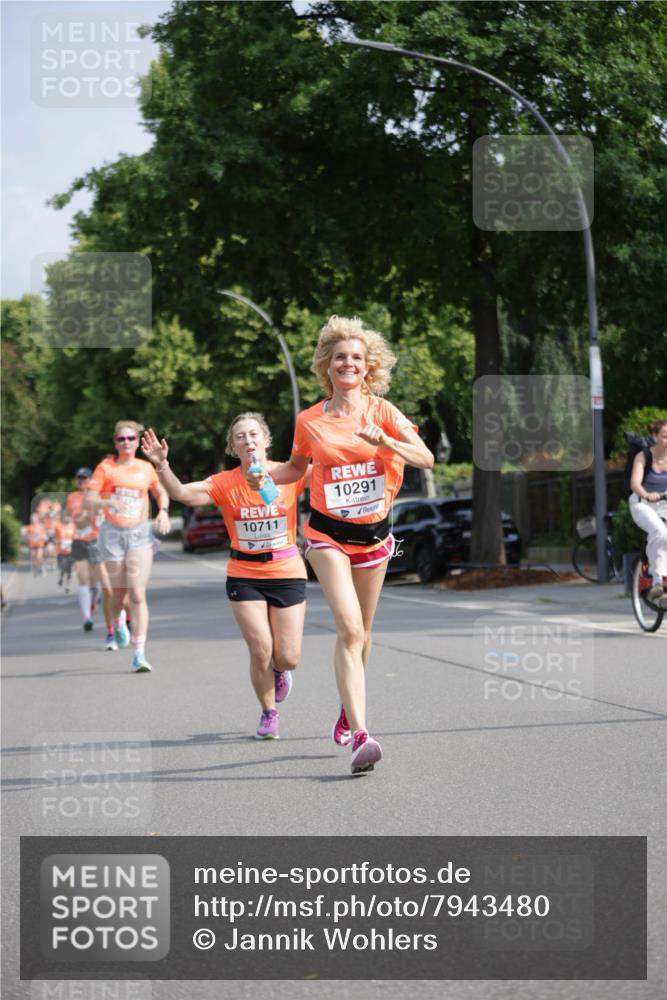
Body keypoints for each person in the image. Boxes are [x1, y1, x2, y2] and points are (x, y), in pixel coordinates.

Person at [247, 315, 434, 774]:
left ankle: (349, 710)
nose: (347, 364)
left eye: (356, 358)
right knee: (350, 629)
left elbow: (425, 457)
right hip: (327, 534)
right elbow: (295, 469)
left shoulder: (384, 412)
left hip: (375, 536)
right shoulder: (310, 420)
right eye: (339, 358)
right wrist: (263, 472)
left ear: (368, 367)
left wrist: (386, 440)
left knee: (364, 633)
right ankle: (363, 737)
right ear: (326, 367)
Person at [141, 413, 309, 739]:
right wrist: (161, 466)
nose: (248, 441)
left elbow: (328, 475)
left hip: (286, 570)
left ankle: (280, 670)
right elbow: (182, 494)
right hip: (244, 572)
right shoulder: (224, 482)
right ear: (233, 447)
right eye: (240, 437)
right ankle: (268, 712)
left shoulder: (289, 472)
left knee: (288, 656)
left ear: (266, 440)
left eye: (253, 434)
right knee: (260, 648)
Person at [85, 422, 171, 672]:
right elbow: (90, 499)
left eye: (131, 438)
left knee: (137, 594)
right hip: (112, 535)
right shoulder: (105, 468)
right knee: (117, 595)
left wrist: (163, 510)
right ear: (115, 442)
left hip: (139, 535)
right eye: (121, 439)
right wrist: (109, 499)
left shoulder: (145, 468)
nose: (126, 442)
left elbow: (160, 492)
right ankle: (117, 622)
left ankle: (139, 653)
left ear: (137, 441)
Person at [629, 418, 667, 609]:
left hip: (664, 504)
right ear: (654, 436)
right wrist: (647, 494)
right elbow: (635, 483)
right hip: (642, 503)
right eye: (665, 436)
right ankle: (657, 582)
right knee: (660, 532)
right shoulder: (643, 457)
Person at [55, 513, 75, 592]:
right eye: (66, 517)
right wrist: (59, 541)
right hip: (61, 552)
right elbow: (54, 538)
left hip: (71, 552)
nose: (67, 519)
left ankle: (67, 586)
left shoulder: (73, 527)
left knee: (70, 570)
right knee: (63, 568)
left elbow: (77, 537)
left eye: (69, 517)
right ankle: (61, 577)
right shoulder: (58, 527)